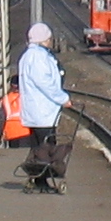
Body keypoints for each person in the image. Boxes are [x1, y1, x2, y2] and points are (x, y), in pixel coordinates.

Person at [15, 21, 70, 192]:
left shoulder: (28, 56)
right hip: (43, 111)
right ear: (43, 39)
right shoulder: (38, 57)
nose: (50, 41)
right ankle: (42, 180)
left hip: (36, 110)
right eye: (48, 38)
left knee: (39, 146)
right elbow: (45, 83)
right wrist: (63, 98)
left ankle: (40, 179)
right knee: (46, 147)